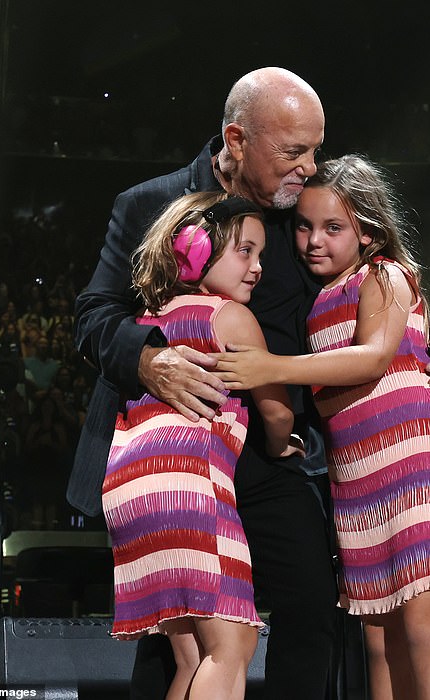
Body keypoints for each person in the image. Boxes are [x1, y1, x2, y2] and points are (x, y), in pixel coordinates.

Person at [67, 67, 430, 700]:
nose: (309, 167)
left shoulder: (295, 213)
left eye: (315, 149)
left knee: (311, 608)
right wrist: (148, 361)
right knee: (178, 638)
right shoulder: (150, 204)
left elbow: (363, 275)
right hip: (179, 450)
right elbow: (92, 315)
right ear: (237, 137)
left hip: (269, 452)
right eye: (294, 152)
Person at [212, 154, 430, 699]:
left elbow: (374, 356)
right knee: (378, 640)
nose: (313, 240)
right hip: (356, 476)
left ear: (369, 229)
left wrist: (271, 368)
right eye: (305, 226)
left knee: (426, 629)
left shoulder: (385, 274)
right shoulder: (321, 300)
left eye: (334, 227)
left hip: (415, 460)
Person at [104, 191, 303, 700]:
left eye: (261, 254)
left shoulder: (145, 322)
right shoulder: (230, 317)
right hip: (191, 490)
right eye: (245, 251)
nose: (257, 267)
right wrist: (282, 446)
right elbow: (277, 410)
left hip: (130, 490)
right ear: (193, 249)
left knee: (194, 656)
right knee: (232, 645)